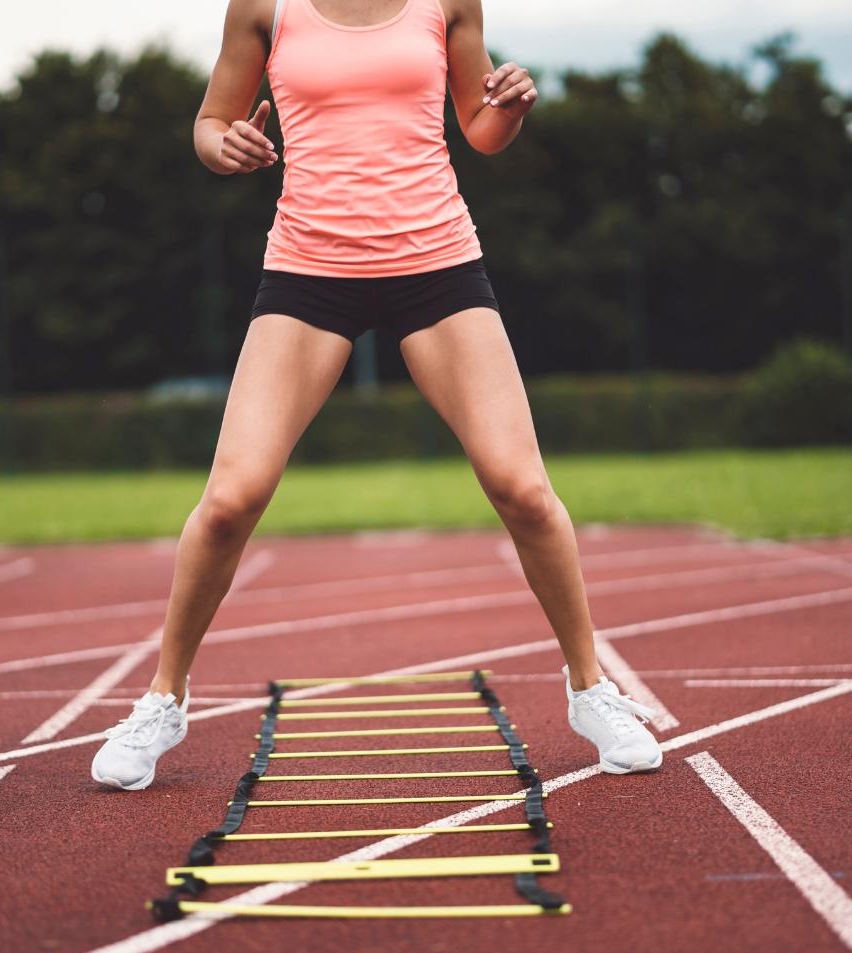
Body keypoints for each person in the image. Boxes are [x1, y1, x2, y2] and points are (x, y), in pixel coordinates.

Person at [91, 0, 662, 792]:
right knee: (230, 498)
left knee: (523, 488)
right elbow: (209, 122)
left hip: (437, 265)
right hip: (307, 272)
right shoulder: (264, 6)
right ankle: (163, 701)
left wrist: (510, 111)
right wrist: (222, 144)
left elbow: (480, 128)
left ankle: (591, 690)